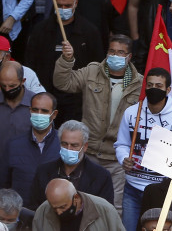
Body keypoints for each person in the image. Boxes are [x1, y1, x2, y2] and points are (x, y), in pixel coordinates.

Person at [53, 34, 141, 212]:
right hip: (89, 154)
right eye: (112, 51)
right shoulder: (92, 71)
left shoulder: (139, 83)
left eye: (121, 52)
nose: (115, 56)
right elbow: (63, 83)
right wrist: (66, 59)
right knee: (79, 204)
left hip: (116, 158)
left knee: (113, 208)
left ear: (129, 56)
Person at [114, 68, 172, 231]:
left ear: (168, 89)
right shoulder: (131, 113)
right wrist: (123, 158)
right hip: (132, 187)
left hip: (161, 189)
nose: (153, 89)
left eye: (158, 85)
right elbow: (121, 144)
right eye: (149, 85)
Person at [29, 120, 115, 210]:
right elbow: (34, 208)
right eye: (64, 144)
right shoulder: (43, 172)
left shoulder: (101, 176)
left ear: (85, 146)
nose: (69, 149)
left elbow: (105, 212)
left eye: (74, 145)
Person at [0, 91, 61, 198]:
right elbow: (3, 184)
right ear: (30, 110)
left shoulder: (63, 144)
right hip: (21, 209)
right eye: (35, 110)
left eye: (44, 111)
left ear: (54, 114)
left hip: (52, 210)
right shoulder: (14, 145)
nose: (39, 114)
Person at [36, 178, 125, 231]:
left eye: (63, 207)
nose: (59, 212)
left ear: (76, 198)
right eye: (54, 208)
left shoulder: (105, 210)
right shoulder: (43, 210)